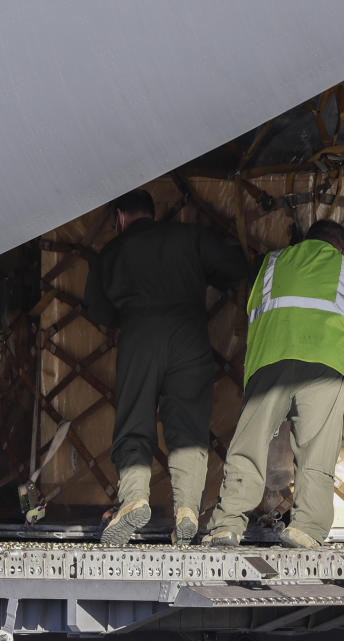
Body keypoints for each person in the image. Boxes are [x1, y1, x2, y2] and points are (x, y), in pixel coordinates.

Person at [83, 188, 248, 545]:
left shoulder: (112, 251)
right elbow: (235, 268)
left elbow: (96, 310)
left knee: (134, 420)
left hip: (139, 337)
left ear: (120, 217)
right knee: (188, 426)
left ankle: (134, 499)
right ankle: (187, 509)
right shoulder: (188, 236)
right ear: (153, 212)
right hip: (189, 337)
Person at [204, 219, 344, 548]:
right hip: (324, 366)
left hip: (270, 362)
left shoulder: (271, 262)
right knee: (317, 449)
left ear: (305, 239)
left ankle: (228, 524)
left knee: (249, 444)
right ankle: (306, 528)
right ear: (342, 248)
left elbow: (252, 307)